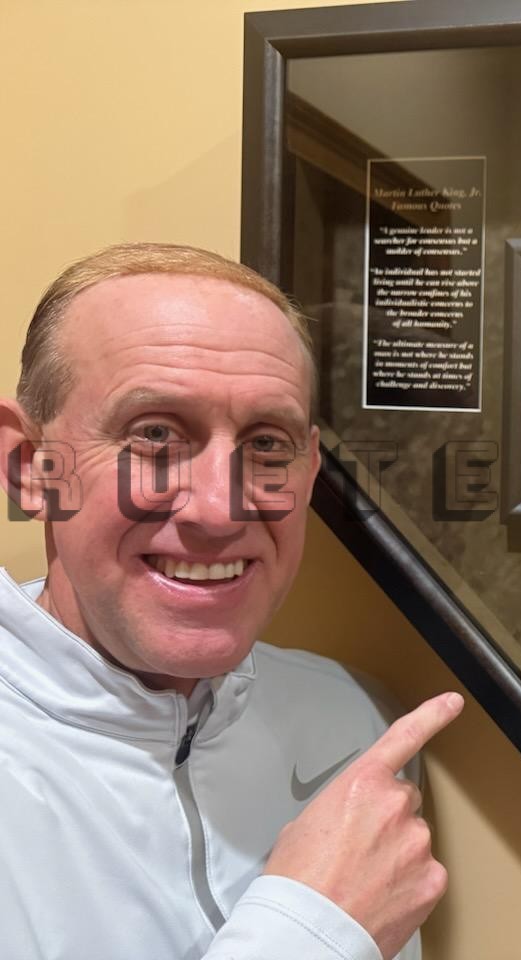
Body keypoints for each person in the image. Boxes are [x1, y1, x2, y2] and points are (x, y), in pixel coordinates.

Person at [0, 243, 459, 960]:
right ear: (33, 471)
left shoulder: (353, 722)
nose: (219, 509)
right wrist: (312, 934)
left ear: (308, 472)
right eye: (155, 434)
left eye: (267, 444)